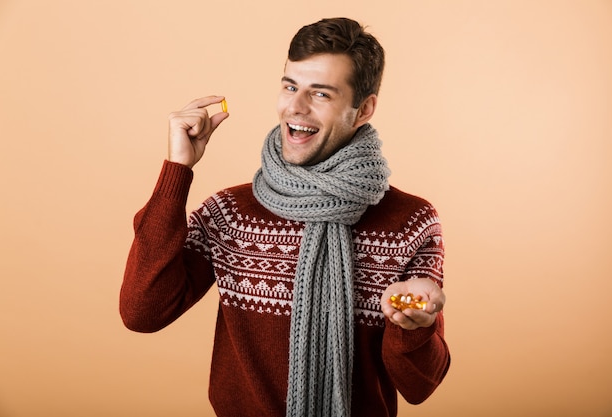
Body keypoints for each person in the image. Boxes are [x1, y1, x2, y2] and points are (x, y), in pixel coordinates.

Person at [120, 17, 450, 417]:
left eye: (321, 94)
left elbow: (420, 386)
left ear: (363, 110)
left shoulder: (410, 223)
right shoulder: (231, 214)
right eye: (290, 86)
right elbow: (143, 313)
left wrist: (413, 327)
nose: (295, 106)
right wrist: (177, 170)